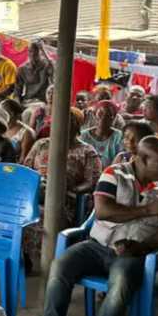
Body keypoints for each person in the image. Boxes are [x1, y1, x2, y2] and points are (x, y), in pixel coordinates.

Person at [23, 137, 158, 316]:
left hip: (133, 254)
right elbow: (104, 210)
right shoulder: (114, 174)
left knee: (119, 287)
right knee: (61, 266)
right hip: (97, 246)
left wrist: (140, 247)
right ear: (142, 159)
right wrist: (147, 210)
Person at [22, 107, 102, 267]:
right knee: (19, 206)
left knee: (45, 209)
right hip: (35, 193)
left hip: (64, 199)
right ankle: (19, 254)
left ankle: (49, 259)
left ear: (78, 126)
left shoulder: (87, 151)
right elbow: (26, 170)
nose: (64, 125)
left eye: (71, 122)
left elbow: (92, 181)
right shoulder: (41, 144)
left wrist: (71, 190)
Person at [80, 100, 124, 167]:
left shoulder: (119, 136)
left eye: (109, 115)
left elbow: (120, 161)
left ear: (114, 118)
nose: (103, 118)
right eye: (100, 114)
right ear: (94, 115)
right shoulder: (83, 136)